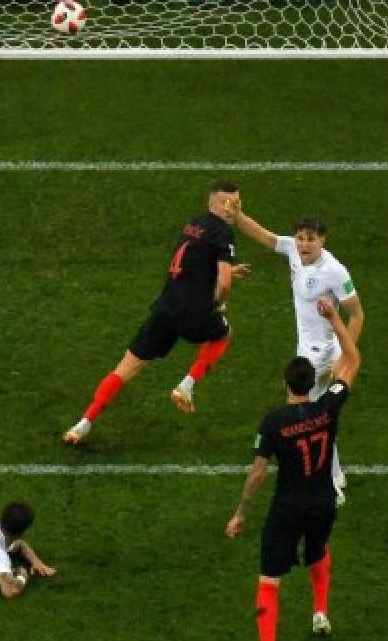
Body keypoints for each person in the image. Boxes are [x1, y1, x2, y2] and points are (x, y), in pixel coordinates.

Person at [225, 297, 361, 641]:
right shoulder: (326, 408)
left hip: (287, 508)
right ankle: (320, 613)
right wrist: (336, 319)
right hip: (323, 501)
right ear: (312, 382)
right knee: (318, 551)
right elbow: (353, 360)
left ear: (286, 383)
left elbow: (256, 476)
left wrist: (240, 515)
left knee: (270, 577)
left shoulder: (274, 421)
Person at [62, 180, 250, 445]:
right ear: (212, 202)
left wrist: (229, 270)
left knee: (125, 368)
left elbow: (194, 265)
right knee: (223, 334)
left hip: (165, 308)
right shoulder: (223, 233)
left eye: (236, 202)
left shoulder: (193, 224)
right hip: (194, 312)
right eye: (226, 201)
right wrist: (218, 301)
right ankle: (186, 386)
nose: (232, 207)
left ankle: (82, 425)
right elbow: (224, 283)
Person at [232, 212, 364, 504]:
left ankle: (331, 486)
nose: (304, 245)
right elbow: (265, 236)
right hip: (306, 350)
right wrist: (236, 216)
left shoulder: (334, 271)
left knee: (313, 418)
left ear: (322, 241)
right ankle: (336, 474)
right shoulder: (293, 249)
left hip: (324, 353)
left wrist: (342, 359)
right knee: (320, 415)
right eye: (301, 239)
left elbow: (356, 314)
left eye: (311, 240)